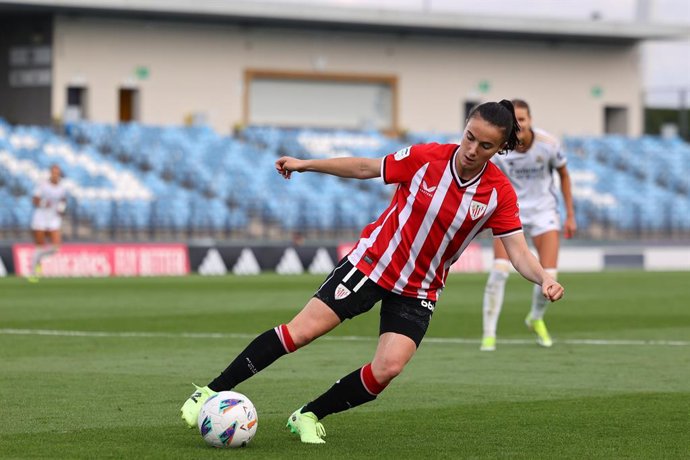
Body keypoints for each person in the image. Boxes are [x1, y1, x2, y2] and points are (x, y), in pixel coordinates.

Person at [180, 100, 565, 444]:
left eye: (485, 146)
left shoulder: (499, 192)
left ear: (499, 149)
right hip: (370, 265)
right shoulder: (426, 157)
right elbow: (367, 167)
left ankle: (309, 415)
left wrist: (544, 276)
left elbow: (517, 251)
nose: (471, 150)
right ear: (464, 129)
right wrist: (306, 164)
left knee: (388, 368)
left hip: (420, 289)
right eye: (469, 137)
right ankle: (209, 392)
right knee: (300, 332)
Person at [480, 99, 575, 351]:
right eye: (515, 120)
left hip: (544, 212)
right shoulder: (501, 149)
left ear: (530, 120)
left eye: (522, 119)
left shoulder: (549, 145)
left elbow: (564, 175)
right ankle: (489, 334)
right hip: (511, 212)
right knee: (499, 272)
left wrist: (570, 215)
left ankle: (535, 318)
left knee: (549, 276)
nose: (519, 124)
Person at [28, 164, 67, 282]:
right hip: (40, 218)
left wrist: (61, 209)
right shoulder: (42, 185)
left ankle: (38, 259)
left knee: (56, 248)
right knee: (39, 246)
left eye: (57, 173)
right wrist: (44, 203)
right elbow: (34, 200)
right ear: (50, 173)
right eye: (54, 172)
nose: (55, 175)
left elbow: (63, 200)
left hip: (54, 219)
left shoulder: (62, 188)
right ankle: (33, 272)